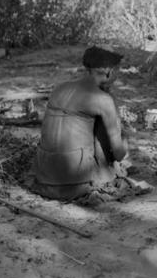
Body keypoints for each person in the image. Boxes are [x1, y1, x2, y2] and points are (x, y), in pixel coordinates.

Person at [31, 45, 129, 201]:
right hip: (75, 185)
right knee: (108, 131)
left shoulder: (60, 88)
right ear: (110, 72)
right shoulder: (103, 99)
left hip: (44, 179)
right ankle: (103, 176)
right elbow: (119, 154)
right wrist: (124, 135)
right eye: (117, 71)